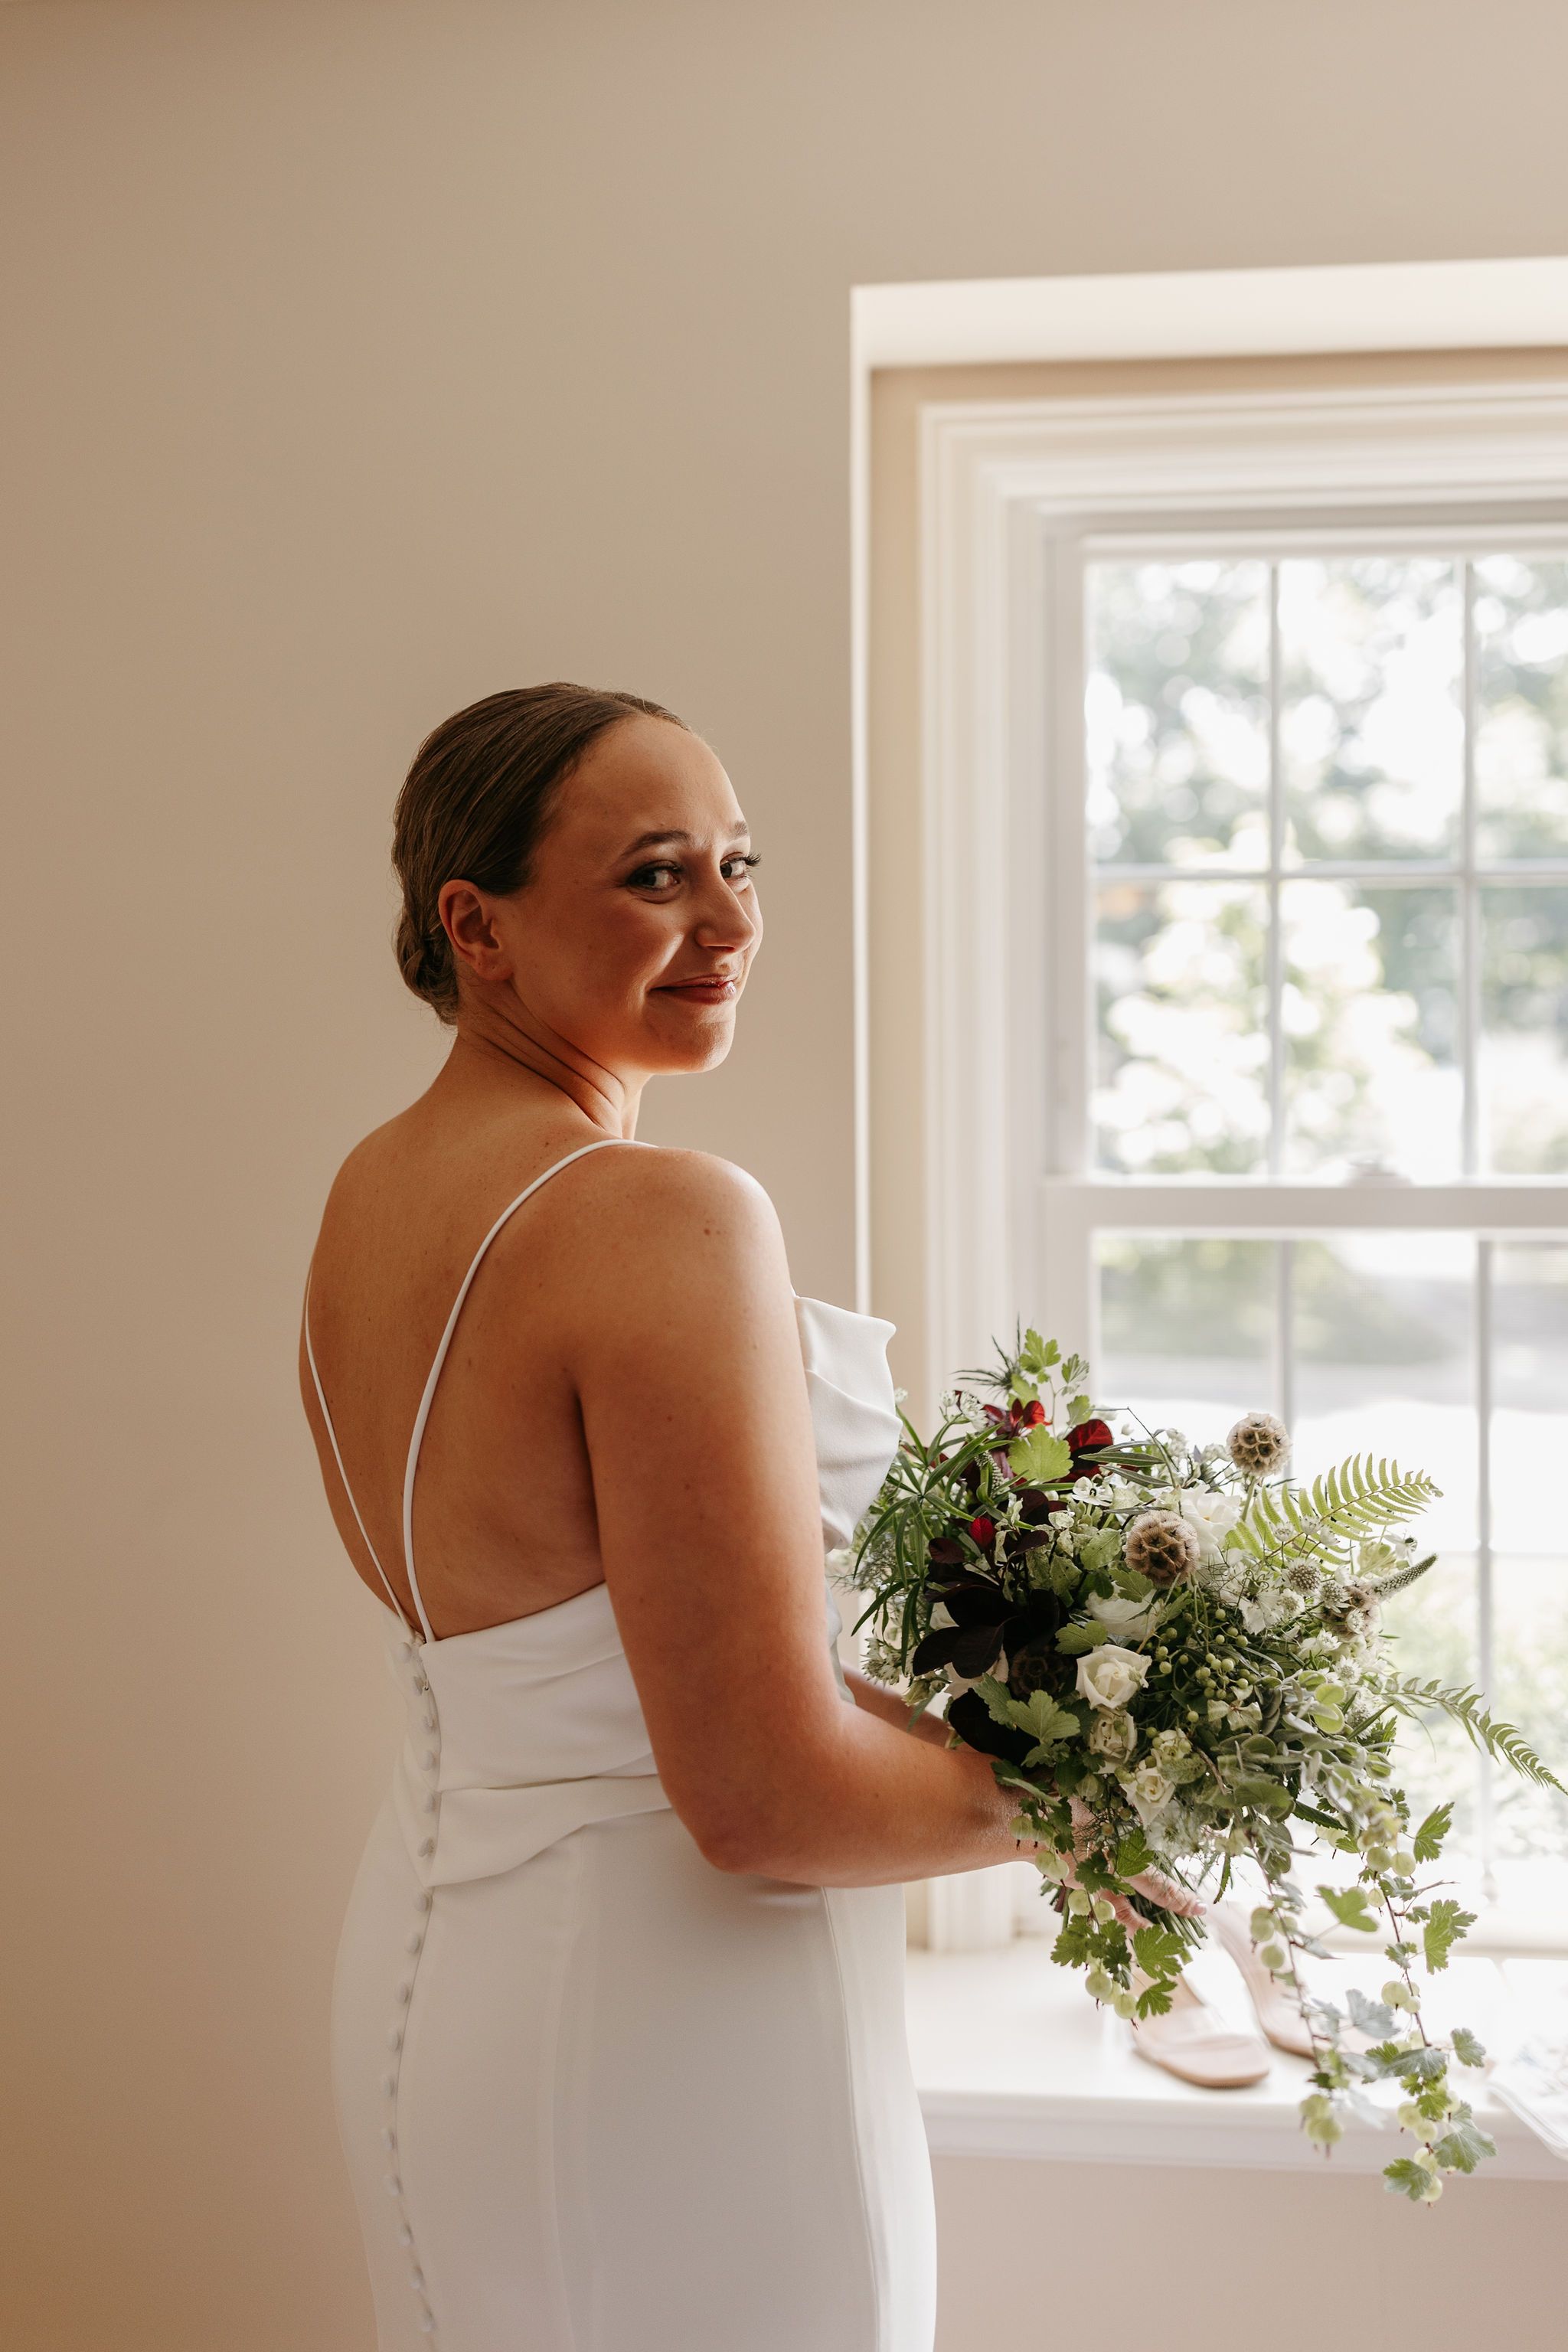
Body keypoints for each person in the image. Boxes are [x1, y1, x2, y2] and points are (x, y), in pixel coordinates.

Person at [300, 684, 1193, 2351]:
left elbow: (611, 1650)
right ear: (474, 927)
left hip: (447, 1976)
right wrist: (1085, 1805)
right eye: (655, 875)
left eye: (737, 863)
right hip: (670, 2021)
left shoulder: (377, 1186)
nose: (726, 923)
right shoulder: (656, 1216)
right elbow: (763, 1798)